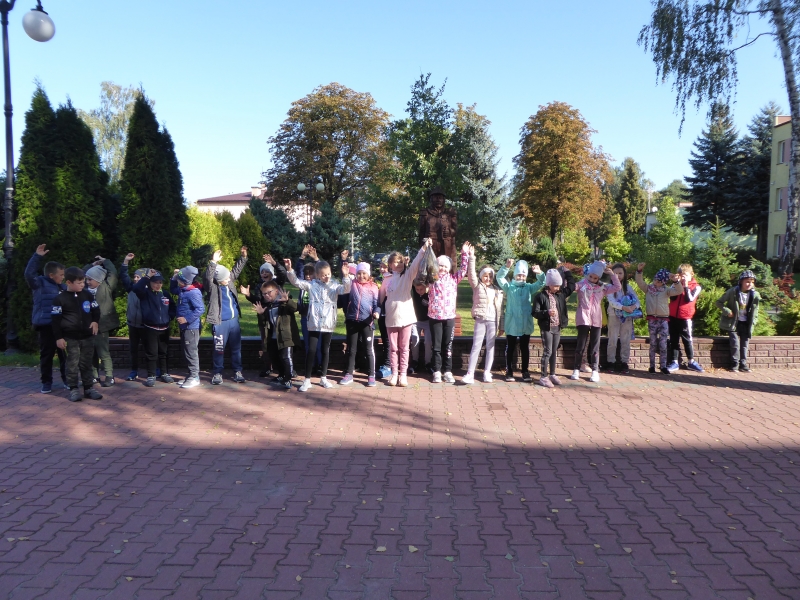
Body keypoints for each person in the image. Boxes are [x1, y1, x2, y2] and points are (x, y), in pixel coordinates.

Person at [285, 256, 352, 391]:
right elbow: (296, 282)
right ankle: (307, 380)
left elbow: (346, 289)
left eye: (328, 274)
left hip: (328, 322)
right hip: (314, 322)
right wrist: (290, 269)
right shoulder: (312, 285)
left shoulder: (334, 285)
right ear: (317, 275)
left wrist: (345, 276)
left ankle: (323, 377)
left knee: (326, 350)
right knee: (312, 349)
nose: (327, 277)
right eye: (323, 275)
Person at [380, 240, 431, 387]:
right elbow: (381, 297)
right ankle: (394, 374)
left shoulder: (408, 275)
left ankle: (403, 374)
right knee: (393, 348)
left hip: (406, 317)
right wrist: (377, 310)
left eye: (400, 261)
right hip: (391, 317)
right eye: (395, 262)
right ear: (390, 264)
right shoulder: (387, 279)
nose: (398, 264)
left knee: (404, 347)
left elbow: (416, 262)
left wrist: (424, 248)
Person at [51, 267, 102, 402]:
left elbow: (96, 310)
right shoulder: (59, 299)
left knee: (87, 363)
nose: (82, 285)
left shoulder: (87, 295)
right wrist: (58, 337)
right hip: (70, 337)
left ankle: (88, 388)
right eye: (79, 283)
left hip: (87, 336)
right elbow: (55, 320)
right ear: (68, 282)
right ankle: (73, 388)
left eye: (83, 282)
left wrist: (95, 322)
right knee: (72, 363)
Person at [24, 243, 66, 393]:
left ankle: (67, 379)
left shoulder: (63, 287)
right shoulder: (39, 283)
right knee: (47, 355)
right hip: (46, 325)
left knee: (65, 355)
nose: (63, 277)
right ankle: (46, 382)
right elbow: (29, 274)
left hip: (62, 326)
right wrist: (36, 256)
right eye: (61, 275)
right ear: (51, 275)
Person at [425, 242, 469, 384]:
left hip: (449, 317)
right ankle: (437, 371)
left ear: (449, 268)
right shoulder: (432, 279)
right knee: (436, 346)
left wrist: (464, 254)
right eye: (440, 265)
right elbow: (424, 267)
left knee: (448, 345)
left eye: (445, 266)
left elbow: (464, 269)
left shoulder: (454, 279)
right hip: (435, 317)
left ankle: (448, 371)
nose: (443, 268)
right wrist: (426, 248)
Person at [570, 261, 621, 383]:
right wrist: (567, 277)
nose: (592, 279)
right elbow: (571, 287)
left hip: (596, 319)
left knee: (595, 346)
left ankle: (595, 370)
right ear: (588, 275)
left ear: (599, 278)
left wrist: (612, 275)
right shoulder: (582, 284)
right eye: (591, 276)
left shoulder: (603, 287)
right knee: (581, 345)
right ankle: (576, 369)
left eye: (595, 278)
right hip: (583, 318)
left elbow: (617, 287)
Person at [496, 258, 545, 382]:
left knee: (524, 348)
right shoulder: (509, 287)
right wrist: (506, 267)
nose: (521, 277)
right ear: (514, 275)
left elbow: (541, 283)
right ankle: (509, 371)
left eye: (523, 276)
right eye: (518, 275)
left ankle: (525, 371)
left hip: (525, 323)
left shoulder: (529, 287)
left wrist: (539, 273)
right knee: (510, 347)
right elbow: (499, 277)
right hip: (512, 322)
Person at [204, 247, 248, 385]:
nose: (229, 279)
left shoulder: (229, 281)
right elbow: (208, 278)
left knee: (236, 349)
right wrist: (213, 262)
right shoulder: (212, 287)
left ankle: (237, 371)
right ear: (219, 280)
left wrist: (243, 258)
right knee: (219, 349)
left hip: (233, 322)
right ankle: (217, 373)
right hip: (220, 323)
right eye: (226, 278)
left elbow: (236, 271)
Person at [462, 244, 503, 384]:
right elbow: (471, 274)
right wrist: (472, 257)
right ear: (481, 277)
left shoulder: (497, 290)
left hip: (493, 321)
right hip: (481, 319)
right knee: (476, 346)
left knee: (490, 346)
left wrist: (501, 326)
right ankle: (470, 373)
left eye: (490, 276)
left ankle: (487, 372)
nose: (488, 278)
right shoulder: (477, 286)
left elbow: (500, 309)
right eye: (485, 276)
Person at [241, 254, 285, 377]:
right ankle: (267, 367)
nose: (264, 274)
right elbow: (258, 301)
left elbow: (283, 274)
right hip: (265, 318)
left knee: (282, 343)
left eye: (267, 272)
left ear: (271, 273)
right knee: (266, 343)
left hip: (278, 318)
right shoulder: (259, 286)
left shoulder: (277, 282)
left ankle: (286, 368)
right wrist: (249, 295)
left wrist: (275, 263)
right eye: (262, 272)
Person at [635, 264, 683, 375]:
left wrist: (676, 281)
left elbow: (679, 291)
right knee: (653, 343)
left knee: (663, 344)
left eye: (659, 281)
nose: (656, 282)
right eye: (656, 280)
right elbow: (639, 282)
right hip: (652, 318)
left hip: (663, 319)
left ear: (664, 282)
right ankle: (652, 366)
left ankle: (663, 366)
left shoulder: (667, 290)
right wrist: (639, 271)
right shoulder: (648, 288)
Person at [133, 269, 176, 387]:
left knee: (163, 353)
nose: (158, 285)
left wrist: (170, 316)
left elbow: (173, 306)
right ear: (150, 283)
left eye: (160, 282)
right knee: (151, 353)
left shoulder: (165, 294)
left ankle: (164, 373)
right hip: (150, 328)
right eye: (155, 282)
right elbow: (136, 288)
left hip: (164, 328)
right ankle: (151, 375)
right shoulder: (145, 293)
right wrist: (147, 277)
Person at [533, 268, 576, 387]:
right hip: (546, 328)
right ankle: (543, 376)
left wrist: (568, 273)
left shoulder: (560, 294)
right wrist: (546, 313)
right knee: (548, 351)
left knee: (554, 351)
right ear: (549, 284)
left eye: (559, 285)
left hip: (557, 327)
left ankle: (552, 374)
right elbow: (535, 312)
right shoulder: (540, 296)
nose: (557, 288)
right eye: (555, 285)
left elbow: (571, 287)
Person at [339, 261, 380, 387]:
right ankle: (349, 373)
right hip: (352, 320)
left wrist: (376, 312)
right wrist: (345, 275)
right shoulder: (352, 284)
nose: (361, 276)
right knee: (351, 349)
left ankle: (371, 375)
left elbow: (377, 304)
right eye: (359, 273)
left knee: (369, 349)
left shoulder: (373, 287)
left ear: (368, 274)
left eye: (364, 273)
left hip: (367, 322)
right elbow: (345, 284)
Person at [253, 280, 300, 389]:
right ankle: (281, 375)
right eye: (264, 294)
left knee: (286, 357)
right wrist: (261, 314)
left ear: (276, 291)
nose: (266, 295)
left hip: (286, 336)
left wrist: (287, 301)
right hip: (273, 337)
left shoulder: (284, 303)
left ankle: (288, 379)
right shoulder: (267, 306)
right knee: (275, 357)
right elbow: (263, 324)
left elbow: (295, 308)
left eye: (269, 292)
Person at [83, 256, 119, 387]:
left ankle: (109, 375)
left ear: (98, 279)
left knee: (103, 351)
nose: (87, 282)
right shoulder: (84, 290)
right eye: (87, 279)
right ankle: (94, 375)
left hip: (102, 326)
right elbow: (80, 274)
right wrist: (91, 265)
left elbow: (113, 273)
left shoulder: (106, 287)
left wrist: (106, 261)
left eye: (90, 279)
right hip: (88, 325)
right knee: (91, 352)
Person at [716, 269, 761, 372]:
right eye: (747, 282)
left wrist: (754, 321)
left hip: (746, 323)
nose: (750, 284)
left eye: (752, 282)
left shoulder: (755, 295)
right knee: (735, 344)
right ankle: (734, 364)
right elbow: (719, 302)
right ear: (741, 282)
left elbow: (756, 310)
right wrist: (727, 311)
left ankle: (743, 364)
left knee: (745, 344)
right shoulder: (733, 292)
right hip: (734, 323)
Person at [170, 265, 205, 389]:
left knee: (191, 352)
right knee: (187, 352)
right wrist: (174, 277)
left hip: (191, 327)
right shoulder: (183, 289)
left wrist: (186, 319)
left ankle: (194, 377)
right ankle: (191, 375)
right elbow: (172, 289)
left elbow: (200, 309)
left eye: (179, 280)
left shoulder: (193, 292)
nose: (177, 282)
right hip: (184, 327)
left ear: (185, 281)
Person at [604, 263, 641, 374]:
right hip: (614, 316)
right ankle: (611, 362)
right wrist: (623, 307)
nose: (618, 275)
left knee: (625, 340)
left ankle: (624, 362)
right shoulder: (609, 287)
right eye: (615, 273)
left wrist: (632, 307)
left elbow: (637, 301)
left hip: (627, 317)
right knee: (612, 339)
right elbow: (612, 302)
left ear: (624, 274)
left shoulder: (628, 288)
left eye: (620, 273)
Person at [667, 263, 704, 373]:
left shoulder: (696, 287)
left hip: (685, 317)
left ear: (691, 274)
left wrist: (686, 285)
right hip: (672, 316)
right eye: (681, 275)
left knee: (687, 339)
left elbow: (689, 299)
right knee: (673, 339)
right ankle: (674, 362)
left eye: (685, 275)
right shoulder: (675, 285)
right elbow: (671, 297)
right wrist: (676, 283)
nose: (683, 277)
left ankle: (691, 361)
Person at [119, 256, 148, 381]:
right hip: (133, 324)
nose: (135, 279)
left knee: (149, 349)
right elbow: (124, 276)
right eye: (134, 277)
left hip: (145, 325)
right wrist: (126, 262)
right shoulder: (131, 288)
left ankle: (153, 371)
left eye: (138, 277)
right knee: (133, 349)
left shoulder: (148, 291)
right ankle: (134, 371)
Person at [411, 281, 432, 374]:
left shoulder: (430, 293)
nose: (419, 291)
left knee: (428, 341)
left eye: (421, 289)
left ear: (426, 287)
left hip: (427, 321)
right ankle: (415, 361)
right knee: (415, 339)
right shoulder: (414, 291)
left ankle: (428, 363)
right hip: (415, 321)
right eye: (417, 289)